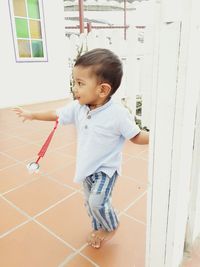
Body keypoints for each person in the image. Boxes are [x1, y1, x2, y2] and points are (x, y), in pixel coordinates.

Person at [13, 48, 149, 249]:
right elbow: (56, 114)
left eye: (80, 83)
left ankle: (111, 226)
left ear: (102, 90)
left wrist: (158, 138)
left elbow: (136, 136)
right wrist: (33, 115)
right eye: (74, 82)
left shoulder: (118, 114)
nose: (74, 89)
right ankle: (98, 227)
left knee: (97, 202)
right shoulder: (78, 107)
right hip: (86, 168)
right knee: (89, 203)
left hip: (105, 169)